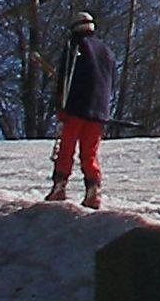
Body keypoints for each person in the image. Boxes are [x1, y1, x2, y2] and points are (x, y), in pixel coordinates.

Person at [44, 12, 115, 209]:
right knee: (89, 153)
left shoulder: (74, 46)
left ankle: (59, 187)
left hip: (75, 107)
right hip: (99, 111)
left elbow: (66, 76)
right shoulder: (107, 51)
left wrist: (60, 104)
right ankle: (93, 192)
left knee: (66, 149)